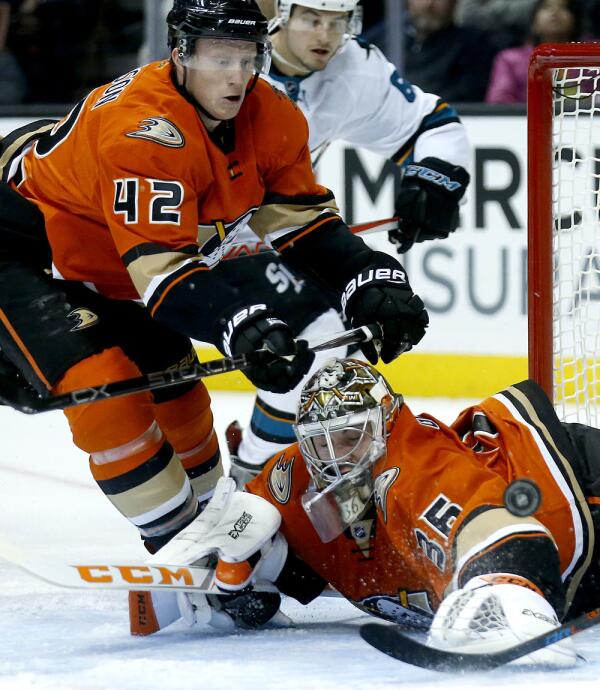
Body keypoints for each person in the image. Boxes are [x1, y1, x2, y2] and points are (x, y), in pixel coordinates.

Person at [0, 0, 428, 632]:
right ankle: (185, 548)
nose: (236, 76)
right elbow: (164, 273)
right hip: (24, 251)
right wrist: (245, 323)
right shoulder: (142, 128)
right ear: (181, 56)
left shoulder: (272, 115)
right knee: (105, 391)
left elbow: (302, 224)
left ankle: (224, 530)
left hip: (112, 263)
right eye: (219, 60)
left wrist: (370, 279)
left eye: (247, 59)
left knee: (178, 394)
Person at [144, 357, 600, 665]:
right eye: (322, 443)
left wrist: (498, 589)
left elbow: (497, 526)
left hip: (581, 500)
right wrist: (231, 575)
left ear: (384, 427)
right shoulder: (297, 478)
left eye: (350, 437)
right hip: (570, 565)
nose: (336, 458)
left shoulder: (412, 471)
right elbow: (255, 521)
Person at [224, 0, 471, 482]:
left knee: (349, 349)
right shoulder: (231, 65)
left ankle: (308, 482)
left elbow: (431, 124)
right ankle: (251, 483)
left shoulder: (352, 68)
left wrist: (433, 181)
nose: (326, 34)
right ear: (281, 16)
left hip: (276, 233)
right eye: (312, 19)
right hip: (196, 236)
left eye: (336, 22)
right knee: (314, 342)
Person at [485, 0, 582, 104]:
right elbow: (498, 99)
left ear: (574, 19)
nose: (555, 11)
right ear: (533, 24)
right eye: (546, 7)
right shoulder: (509, 59)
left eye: (563, 7)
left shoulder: (594, 58)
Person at [405, 0, 497, 102]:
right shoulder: (388, 40)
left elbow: (468, 94)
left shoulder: (474, 45)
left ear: (454, 3)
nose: (429, 5)